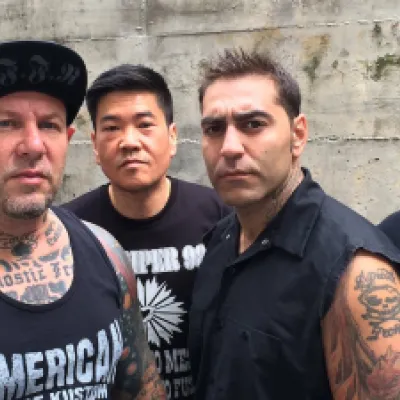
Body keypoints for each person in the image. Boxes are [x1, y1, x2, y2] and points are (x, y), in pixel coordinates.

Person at [188, 48, 400, 400]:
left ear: (298, 135)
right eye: (214, 128)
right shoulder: (221, 241)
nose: (230, 147)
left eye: (253, 125)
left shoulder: (355, 275)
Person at [0, 40, 166, 399]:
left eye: (49, 125)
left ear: (68, 139)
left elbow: (142, 388)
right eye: (6, 124)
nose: (33, 145)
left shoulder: (106, 252)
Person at [62, 64, 231, 399]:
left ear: (172, 137)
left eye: (144, 125)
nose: (129, 142)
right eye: (112, 128)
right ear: (94, 145)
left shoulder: (222, 218)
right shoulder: (71, 232)